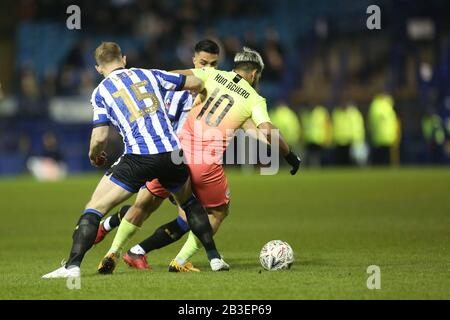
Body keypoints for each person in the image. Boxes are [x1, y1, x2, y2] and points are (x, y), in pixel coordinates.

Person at [98, 47, 301, 272]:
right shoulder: (255, 98)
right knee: (217, 212)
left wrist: (148, 84)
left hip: (173, 154)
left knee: (145, 203)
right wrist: (289, 154)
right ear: (254, 74)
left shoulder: (212, 74)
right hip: (204, 163)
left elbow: (175, 75)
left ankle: (114, 252)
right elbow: (266, 130)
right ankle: (180, 261)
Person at [42, 41, 226, 279]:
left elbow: (99, 137)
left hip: (139, 156)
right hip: (173, 154)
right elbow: (195, 82)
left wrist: (94, 156)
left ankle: (73, 267)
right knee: (189, 204)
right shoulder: (148, 74)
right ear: (124, 59)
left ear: (98, 69)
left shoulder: (101, 92)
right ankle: (214, 258)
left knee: (95, 207)